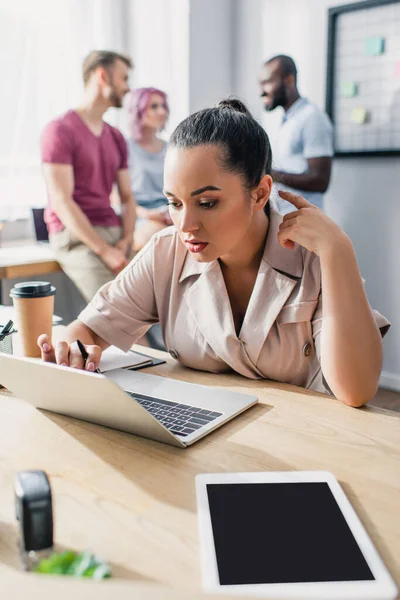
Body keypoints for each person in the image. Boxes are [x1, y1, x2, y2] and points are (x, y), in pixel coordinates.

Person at [38, 99, 389, 408]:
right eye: (174, 203)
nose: (186, 224)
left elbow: (356, 391)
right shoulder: (167, 250)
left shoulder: (316, 259)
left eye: (207, 203)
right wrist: (71, 347)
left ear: (260, 193)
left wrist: (339, 251)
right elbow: (86, 330)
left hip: (306, 450)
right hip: (201, 441)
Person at [41, 50, 137, 302]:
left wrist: (126, 240)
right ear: (103, 76)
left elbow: (127, 197)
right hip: (76, 237)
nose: (127, 88)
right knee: (117, 313)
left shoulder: (116, 136)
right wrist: (104, 251)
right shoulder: (59, 131)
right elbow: (62, 201)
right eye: (123, 78)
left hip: (114, 233)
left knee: (153, 305)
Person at [259, 55, 333, 214]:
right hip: (284, 220)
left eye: (268, 82)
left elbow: (321, 180)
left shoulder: (312, 118)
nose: (261, 92)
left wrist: (268, 173)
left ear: (289, 81)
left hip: (306, 224)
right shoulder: (286, 121)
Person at [126, 87, 172, 251]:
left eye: (163, 106)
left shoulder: (172, 148)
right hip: (139, 214)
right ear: (137, 110)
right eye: (153, 106)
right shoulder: (125, 148)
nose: (161, 111)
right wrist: (146, 214)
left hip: (169, 212)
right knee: (154, 240)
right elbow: (116, 197)